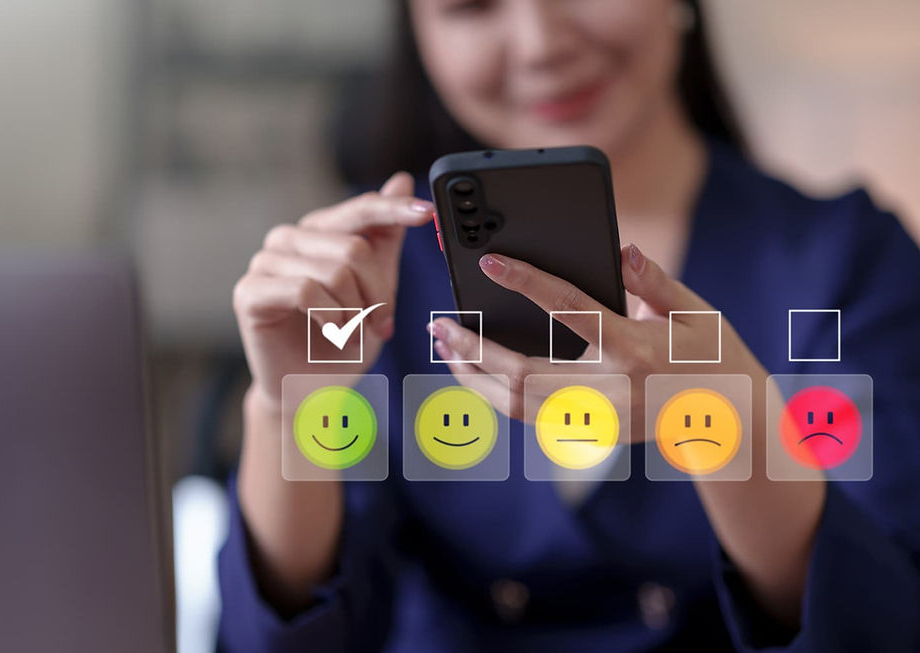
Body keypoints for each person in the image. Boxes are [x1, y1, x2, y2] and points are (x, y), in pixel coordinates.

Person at [220, 0, 920, 650]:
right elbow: (289, 632)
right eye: (471, 3)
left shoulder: (845, 263)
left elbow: (884, 620)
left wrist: (731, 425)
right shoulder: (363, 276)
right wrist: (288, 407)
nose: (540, 43)